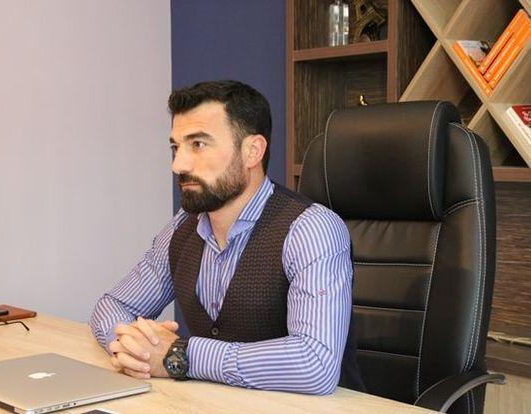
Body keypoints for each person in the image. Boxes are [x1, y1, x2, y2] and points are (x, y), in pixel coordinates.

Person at [90, 80, 361, 395]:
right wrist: (132, 348)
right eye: (176, 147)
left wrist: (181, 355)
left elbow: (315, 364)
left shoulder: (311, 229)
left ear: (252, 151)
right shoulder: (183, 227)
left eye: (198, 144)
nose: (178, 165)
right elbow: (114, 304)